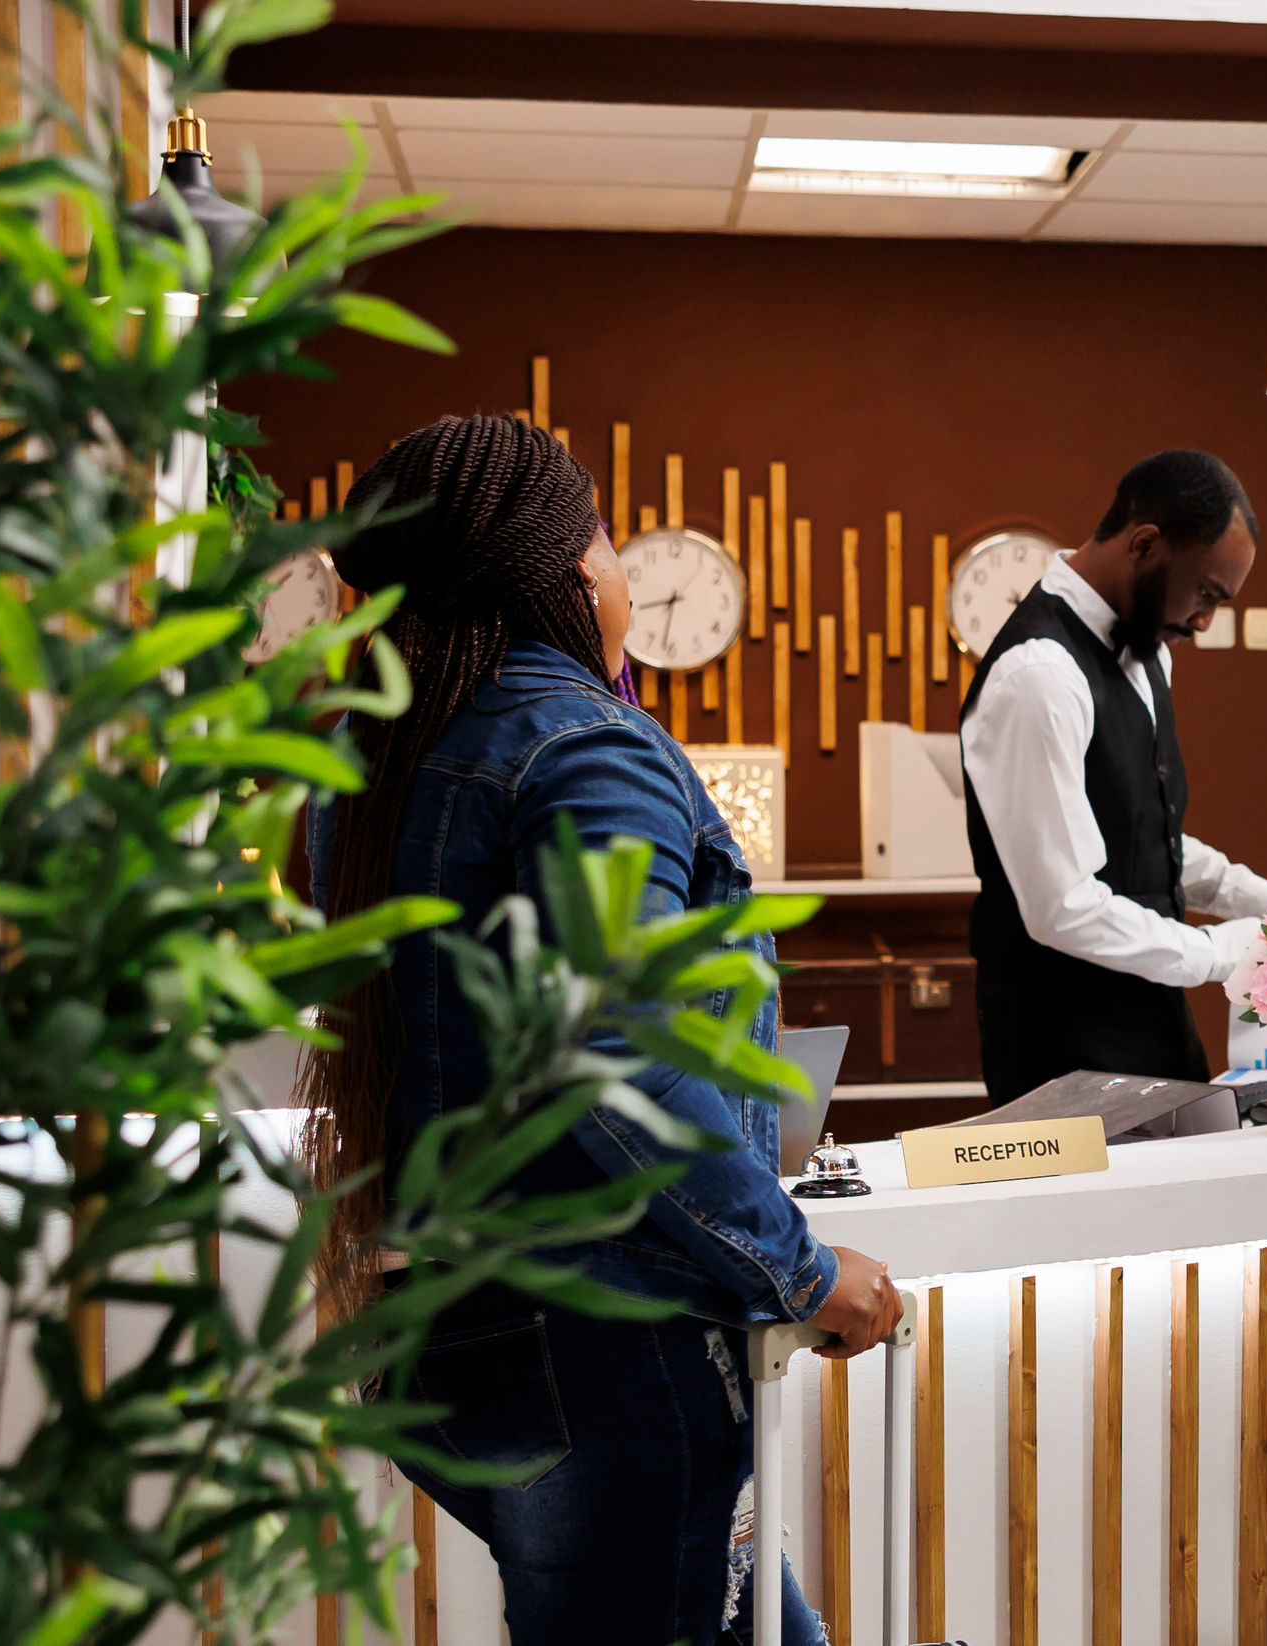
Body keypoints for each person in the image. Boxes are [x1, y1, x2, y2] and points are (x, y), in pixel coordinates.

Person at [301, 414, 900, 1646]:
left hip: (433, 1329)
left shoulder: (367, 764)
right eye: (613, 541)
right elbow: (619, 1055)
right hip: (598, 1339)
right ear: (576, 570)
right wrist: (800, 1262)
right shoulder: (586, 742)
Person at [961, 450, 1267, 1103]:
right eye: (1205, 593)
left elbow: (1140, 833)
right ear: (1144, 545)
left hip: (1156, 1036)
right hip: (1061, 1060)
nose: (1203, 621)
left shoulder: (1147, 653)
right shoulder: (1038, 676)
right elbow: (1064, 908)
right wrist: (1227, 952)